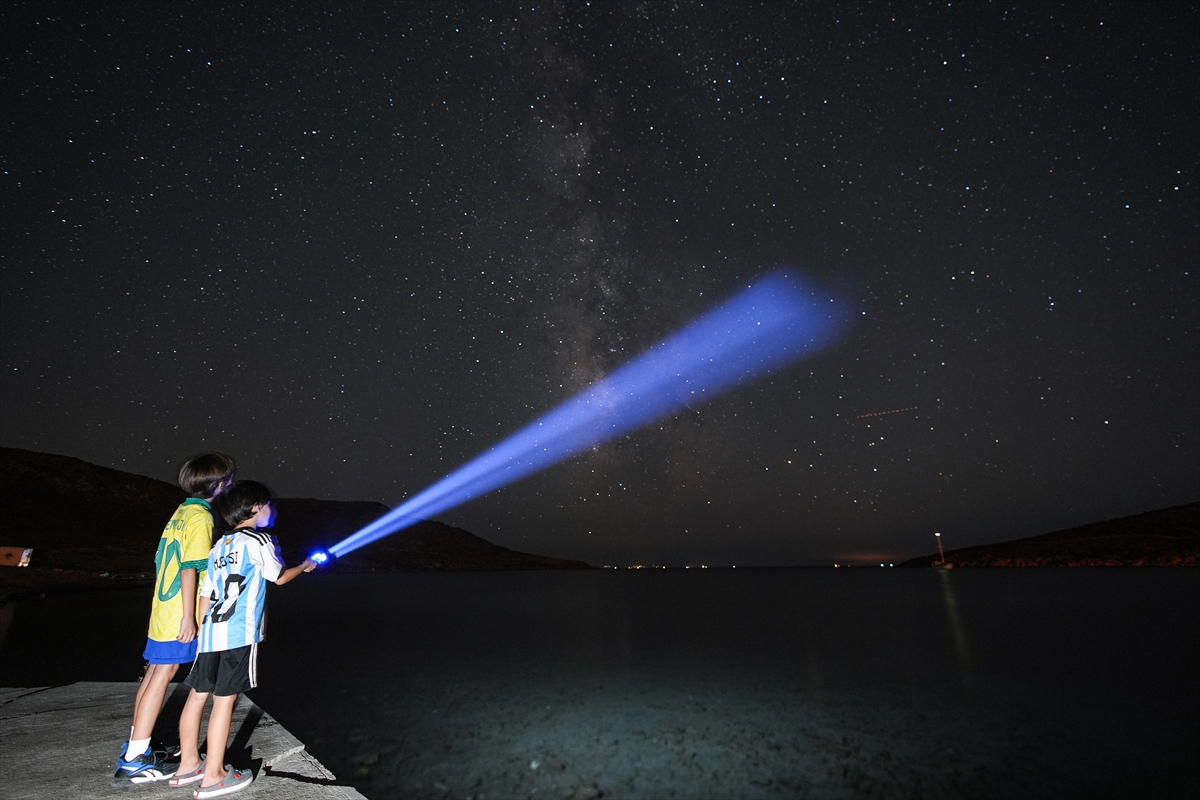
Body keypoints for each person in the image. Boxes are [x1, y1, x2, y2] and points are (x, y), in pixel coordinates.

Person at [172, 480, 315, 798]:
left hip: (211, 633)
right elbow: (278, 577)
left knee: (197, 695)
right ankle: (214, 775)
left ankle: (187, 766)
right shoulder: (259, 539)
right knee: (225, 701)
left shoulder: (218, 546)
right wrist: (304, 566)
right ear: (255, 508)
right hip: (238, 633)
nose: (272, 509)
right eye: (268, 504)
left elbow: (205, 595)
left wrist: (203, 630)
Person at [114, 452, 236, 786]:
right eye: (228, 479)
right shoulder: (202, 517)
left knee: (155, 672)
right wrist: (188, 618)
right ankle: (134, 760)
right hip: (177, 610)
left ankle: (138, 746)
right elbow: (189, 569)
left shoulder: (181, 511)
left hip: (162, 606)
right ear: (219, 485)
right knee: (163, 674)